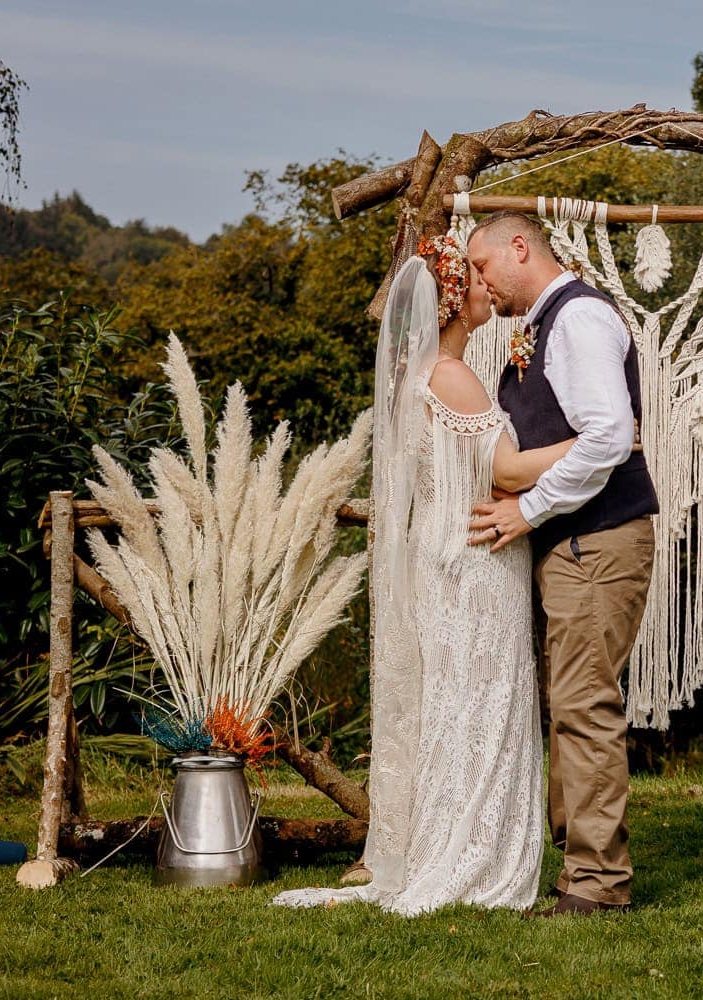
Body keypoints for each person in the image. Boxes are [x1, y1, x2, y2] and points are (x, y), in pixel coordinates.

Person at [272, 235, 570, 915]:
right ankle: (475, 858)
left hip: (448, 561)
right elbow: (508, 471)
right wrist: (603, 441)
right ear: (453, 302)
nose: (485, 287)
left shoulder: (422, 377)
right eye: (471, 278)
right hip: (475, 561)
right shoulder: (450, 376)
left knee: (458, 706)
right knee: (483, 706)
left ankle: (450, 844)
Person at [466, 211, 658, 917]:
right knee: (570, 705)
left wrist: (527, 508)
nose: (481, 283)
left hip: (597, 541)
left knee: (584, 708)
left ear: (521, 247)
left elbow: (609, 436)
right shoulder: (546, 324)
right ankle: (577, 864)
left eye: (484, 266)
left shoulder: (578, 320)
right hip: (577, 544)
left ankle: (597, 885)